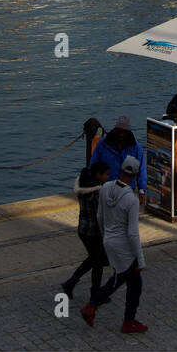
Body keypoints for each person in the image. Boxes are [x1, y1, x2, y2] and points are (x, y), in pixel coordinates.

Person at [81, 156, 147, 333]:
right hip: (124, 245)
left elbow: (100, 217)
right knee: (125, 280)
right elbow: (133, 233)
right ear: (134, 175)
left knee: (125, 279)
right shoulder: (131, 200)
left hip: (109, 240)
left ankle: (103, 310)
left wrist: (105, 237)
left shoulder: (106, 188)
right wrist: (140, 260)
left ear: (121, 170)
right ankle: (97, 308)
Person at [61, 161, 110, 302]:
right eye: (106, 174)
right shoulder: (98, 192)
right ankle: (95, 294)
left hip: (83, 229)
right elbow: (101, 214)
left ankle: (72, 282)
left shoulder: (82, 185)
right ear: (98, 175)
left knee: (94, 259)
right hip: (94, 232)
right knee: (98, 262)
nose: (108, 176)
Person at [88, 116, 146, 202]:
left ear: (128, 132)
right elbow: (93, 166)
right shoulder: (103, 145)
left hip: (127, 191)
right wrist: (92, 186)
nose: (121, 134)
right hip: (107, 190)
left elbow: (141, 170)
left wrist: (142, 190)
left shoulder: (136, 148)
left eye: (124, 132)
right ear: (115, 129)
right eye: (119, 131)